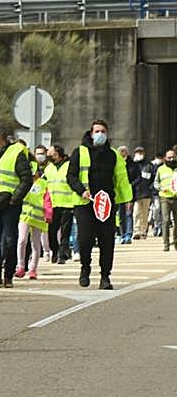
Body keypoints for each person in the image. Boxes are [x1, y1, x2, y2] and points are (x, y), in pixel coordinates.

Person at [68, 120, 132, 289]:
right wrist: (82, 191)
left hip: (106, 204)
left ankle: (105, 277)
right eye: (97, 131)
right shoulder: (79, 152)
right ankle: (85, 267)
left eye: (103, 131)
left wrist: (126, 200)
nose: (100, 134)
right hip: (85, 203)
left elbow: (121, 179)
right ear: (91, 133)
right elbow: (71, 176)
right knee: (85, 240)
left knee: (107, 241)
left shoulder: (113, 155)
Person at [0, 124, 32, 288]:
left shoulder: (16, 152)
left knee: (10, 240)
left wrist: (14, 199)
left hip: (10, 204)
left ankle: (8, 276)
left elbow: (26, 179)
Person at [14, 158, 48, 280]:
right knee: (22, 240)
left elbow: (48, 200)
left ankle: (33, 269)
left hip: (38, 217)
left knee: (35, 244)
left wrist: (48, 214)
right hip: (25, 215)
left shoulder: (43, 184)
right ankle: (20, 266)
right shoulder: (22, 182)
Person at [43, 144, 76, 263]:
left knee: (65, 232)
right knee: (51, 232)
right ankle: (55, 250)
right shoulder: (48, 168)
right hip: (53, 206)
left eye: (50, 153)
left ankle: (62, 255)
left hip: (67, 204)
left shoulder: (69, 166)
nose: (48, 155)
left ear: (57, 154)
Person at [129, 146, 153, 240]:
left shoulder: (149, 165)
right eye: (137, 152)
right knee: (136, 213)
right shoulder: (133, 165)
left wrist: (150, 188)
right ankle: (136, 231)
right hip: (136, 193)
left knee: (144, 213)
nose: (139, 154)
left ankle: (143, 231)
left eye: (141, 152)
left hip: (146, 193)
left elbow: (153, 177)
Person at [156, 149, 177, 250]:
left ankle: (176, 242)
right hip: (165, 197)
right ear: (165, 158)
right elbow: (156, 182)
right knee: (166, 220)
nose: (171, 159)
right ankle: (166, 244)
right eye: (169, 157)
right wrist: (160, 188)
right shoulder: (160, 169)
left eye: (173, 157)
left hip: (176, 197)